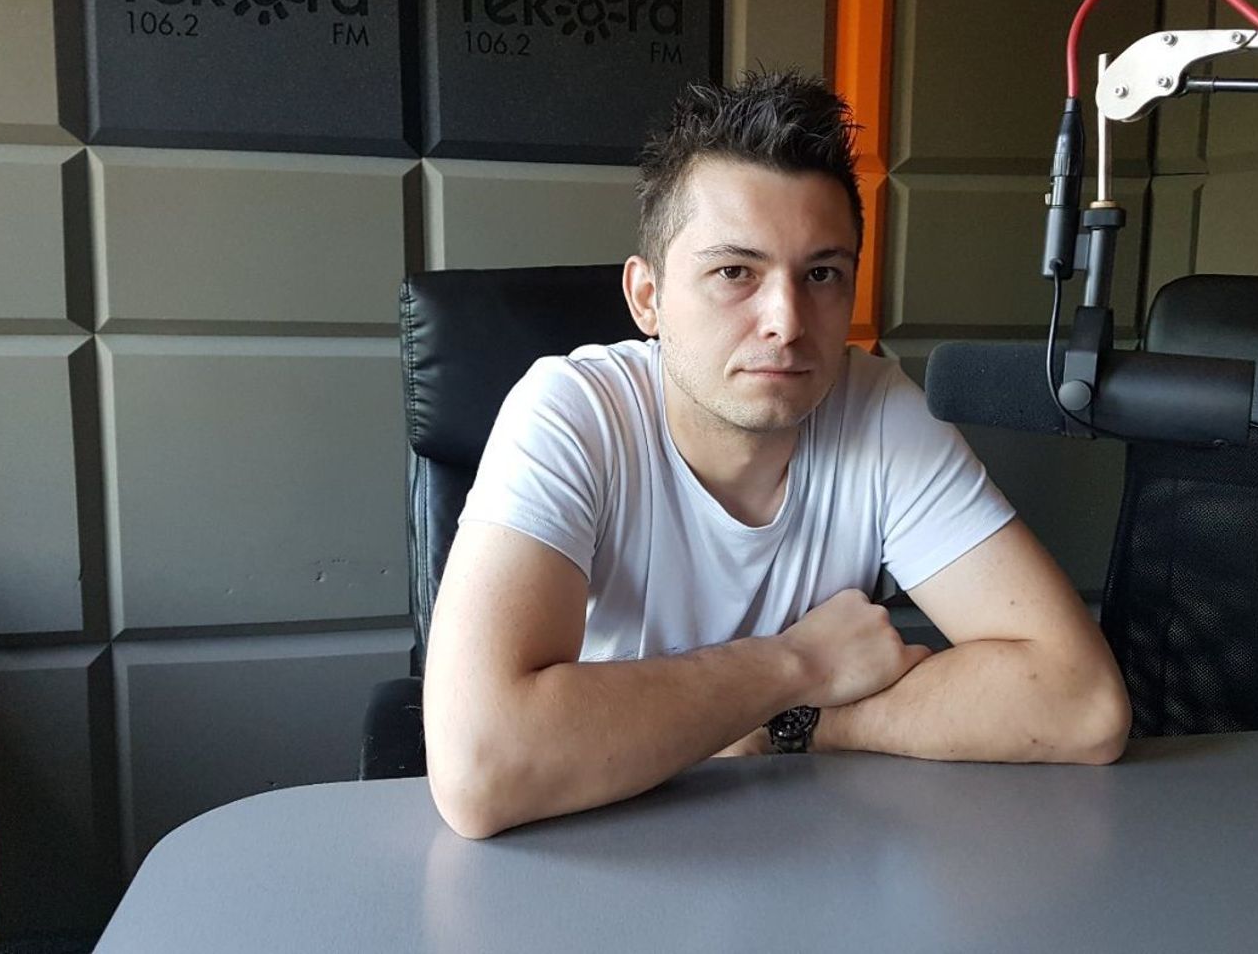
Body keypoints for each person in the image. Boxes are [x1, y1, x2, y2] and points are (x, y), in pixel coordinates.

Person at [423, 70, 1131, 840]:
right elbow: (482, 768)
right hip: (604, 839)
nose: (787, 322)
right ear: (647, 297)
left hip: (806, 842)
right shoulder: (574, 413)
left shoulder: (880, 412)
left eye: (821, 274)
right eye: (735, 272)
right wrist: (798, 666)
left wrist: (792, 725)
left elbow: (1083, 702)